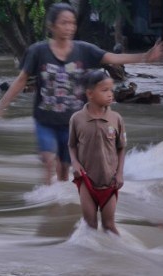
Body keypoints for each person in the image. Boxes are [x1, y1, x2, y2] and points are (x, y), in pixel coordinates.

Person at [0, 2, 163, 185]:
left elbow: (112, 58)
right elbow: (21, 80)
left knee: (65, 169)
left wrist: (144, 57)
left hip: (74, 123)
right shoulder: (38, 51)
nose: (69, 27)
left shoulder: (83, 50)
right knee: (48, 160)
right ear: (51, 26)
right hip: (45, 121)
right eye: (64, 23)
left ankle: (60, 202)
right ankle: (48, 197)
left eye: (72, 23)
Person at [69, 70, 125, 235]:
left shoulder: (116, 118)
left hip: (110, 180)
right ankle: (90, 258)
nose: (110, 94)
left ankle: (123, 255)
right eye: (105, 90)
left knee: (109, 226)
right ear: (90, 94)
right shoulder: (77, 119)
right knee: (90, 225)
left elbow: (121, 147)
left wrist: (120, 173)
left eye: (111, 90)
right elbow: (71, 145)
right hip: (86, 180)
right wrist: (75, 163)